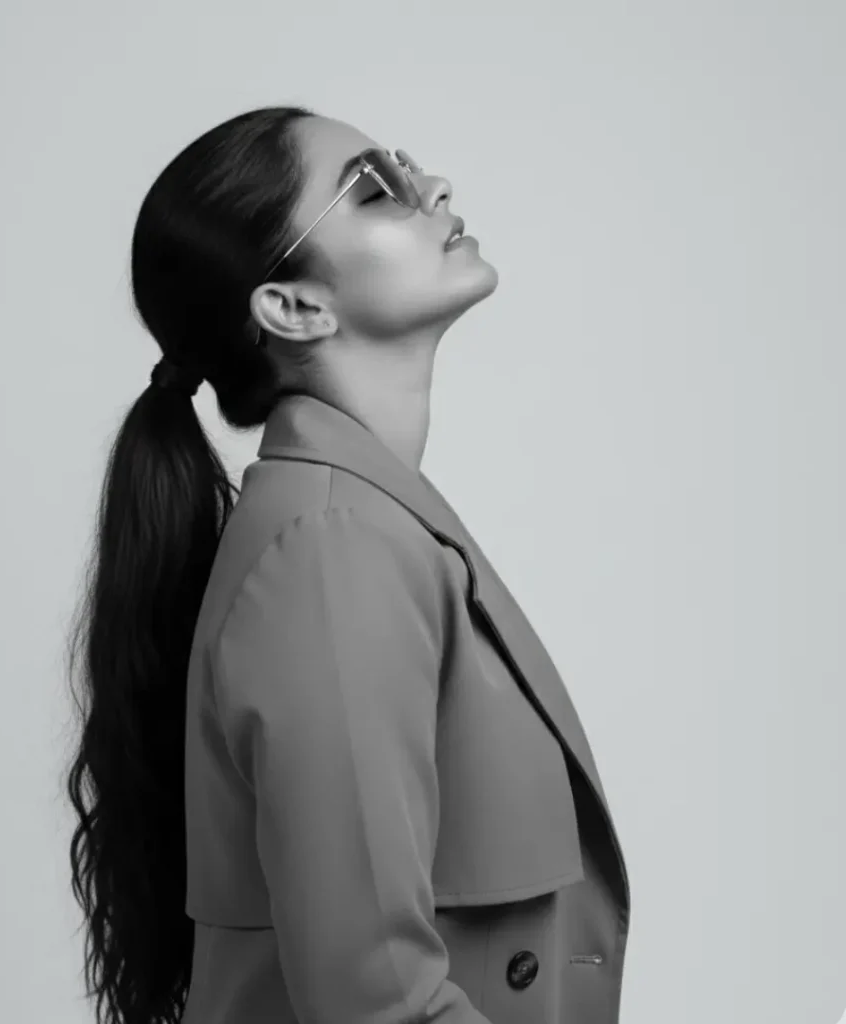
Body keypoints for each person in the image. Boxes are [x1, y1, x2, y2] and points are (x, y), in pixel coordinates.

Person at [66, 105, 631, 1024]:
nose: (434, 188)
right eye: (375, 189)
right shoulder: (332, 549)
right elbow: (376, 1003)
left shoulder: (364, 526)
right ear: (293, 306)